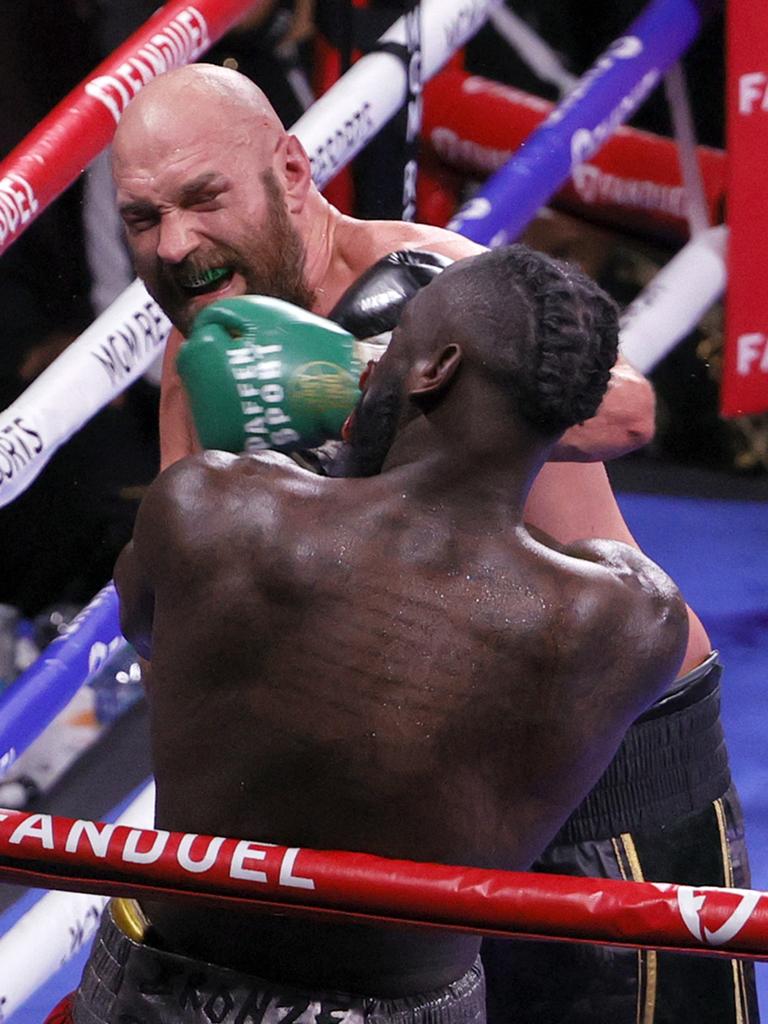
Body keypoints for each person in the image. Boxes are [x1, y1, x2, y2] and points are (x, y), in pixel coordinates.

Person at [110, 65, 756, 1023]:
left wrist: (356, 375)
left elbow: (628, 408)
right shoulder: (198, 361)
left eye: (204, 200)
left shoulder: (437, 281)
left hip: (608, 768)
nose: (177, 244)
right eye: (142, 218)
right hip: (408, 790)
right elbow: (172, 628)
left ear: (291, 172)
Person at [68, 246, 688, 1023]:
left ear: (435, 370)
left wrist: (328, 459)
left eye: (386, 349)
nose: (361, 373)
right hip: (409, 1004)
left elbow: (153, 635)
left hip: (169, 984)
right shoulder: (626, 620)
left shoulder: (215, 511)